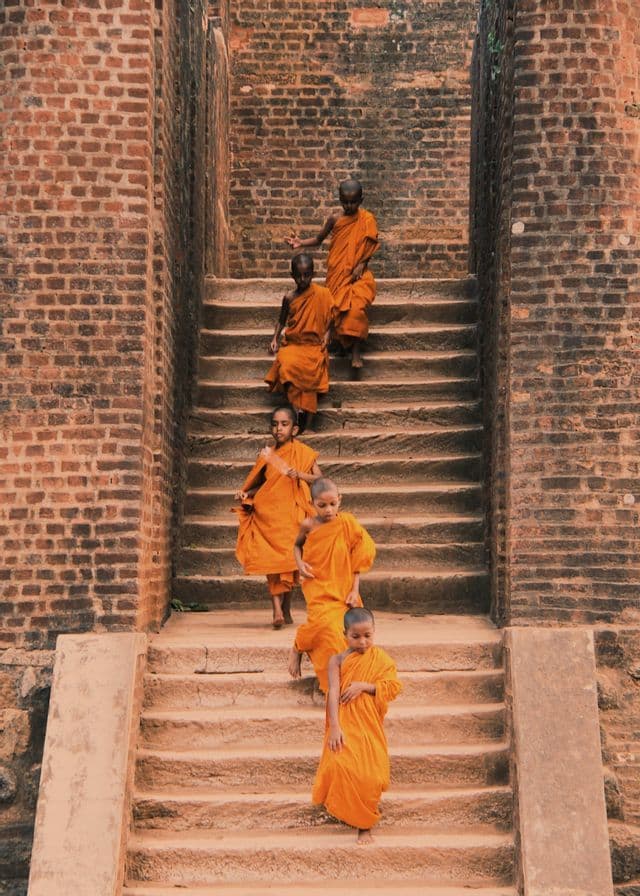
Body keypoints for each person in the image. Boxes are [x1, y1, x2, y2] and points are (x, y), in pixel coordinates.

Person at [312, 607, 402, 843]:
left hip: (369, 721)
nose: (362, 642)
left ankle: (365, 821)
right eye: (356, 636)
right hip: (345, 718)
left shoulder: (381, 659)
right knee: (341, 763)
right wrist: (334, 727)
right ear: (345, 635)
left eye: (368, 635)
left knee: (373, 775)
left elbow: (393, 687)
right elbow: (332, 693)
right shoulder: (337, 660)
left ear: (374, 633)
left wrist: (363, 686)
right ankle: (356, 818)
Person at [233, 405, 322, 628]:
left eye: (284, 424)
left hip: (292, 514)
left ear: (294, 429)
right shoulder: (267, 455)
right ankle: (276, 610)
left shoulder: (303, 453)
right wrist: (246, 493)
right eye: (274, 424)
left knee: (289, 562)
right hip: (269, 513)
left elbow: (319, 480)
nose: (278, 428)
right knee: (273, 562)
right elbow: (259, 484)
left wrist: (299, 474)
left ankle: (286, 608)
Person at [288, 478, 375, 692]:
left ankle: (341, 684)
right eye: (322, 505)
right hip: (317, 584)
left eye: (333, 504)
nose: (329, 510)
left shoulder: (347, 523)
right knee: (323, 625)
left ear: (340, 500)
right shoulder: (308, 524)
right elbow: (297, 546)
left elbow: (359, 558)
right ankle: (298, 647)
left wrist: (355, 590)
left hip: (343, 588)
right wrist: (299, 564)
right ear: (312, 504)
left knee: (342, 633)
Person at [286, 179, 380, 369]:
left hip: (357, 274)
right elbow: (319, 239)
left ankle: (355, 352)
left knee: (356, 307)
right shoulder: (335, 220)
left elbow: (369, 245)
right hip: (338, 271)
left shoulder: (367, 219)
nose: (349, 206)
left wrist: (362, 264)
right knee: (335, 306)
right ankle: (342, 346)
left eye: (353, 202)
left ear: (361, 200)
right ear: (339, 199)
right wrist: (301, 243)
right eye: (345, 202)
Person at [264, 253, 333, 432]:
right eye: (299, 275)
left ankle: (308, 424)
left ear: (313, 273)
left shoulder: (323, 294)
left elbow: (331, 318)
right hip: (294, 344)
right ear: (292, 275)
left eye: (307, 275)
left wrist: (327, 335)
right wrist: (274, 338)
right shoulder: (289, 297)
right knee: (286, 366)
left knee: (312, 371)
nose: (303, 279)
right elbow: (281, 320)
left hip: (313, 345)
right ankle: (295, 418)